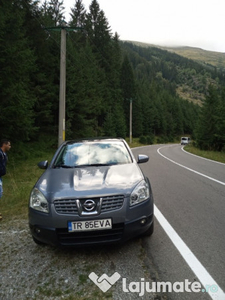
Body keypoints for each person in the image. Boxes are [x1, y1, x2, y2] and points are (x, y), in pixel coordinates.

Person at [0, 139, 11, 220]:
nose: (10, 146)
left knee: (0, 193)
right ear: (4, 145)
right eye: (9, 145)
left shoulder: (4, 154)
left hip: (0, 176)